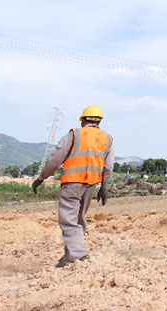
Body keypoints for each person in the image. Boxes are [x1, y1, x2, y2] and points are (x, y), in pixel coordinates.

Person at [32, 105, 114, 268]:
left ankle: (79, 254)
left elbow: (56, 158)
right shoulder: (107, 139)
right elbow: (108, 167)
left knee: (68, 219)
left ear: (82, 120)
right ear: (100, 122)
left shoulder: (74, 134)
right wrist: (104, 188)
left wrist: (42, 177)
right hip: (91, 184)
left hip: (72, 182)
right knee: (78, 219)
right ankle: (69, 258)